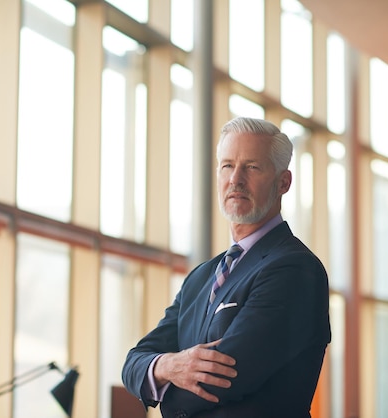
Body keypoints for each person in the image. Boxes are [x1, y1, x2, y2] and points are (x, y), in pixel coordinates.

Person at [121, 117, 331, 418]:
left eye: (252, 167)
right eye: (228, 165)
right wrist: (169, 366)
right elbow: (133, 363)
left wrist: (163, 383)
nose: (236, 179)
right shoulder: (200, 278)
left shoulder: (295, 269)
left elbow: (227, 378)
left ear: (283, 182)